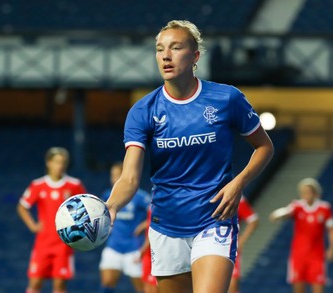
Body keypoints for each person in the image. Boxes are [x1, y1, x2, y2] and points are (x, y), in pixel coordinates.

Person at [106, 20, 274, 293]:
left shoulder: (226, 98)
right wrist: (112, 205)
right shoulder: (142, 111)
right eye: (160, 49)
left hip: (214, 219)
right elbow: (130, 177)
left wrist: (238, 183)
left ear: (195, 56)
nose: (166, 55)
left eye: (176, 47)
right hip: (165, 225)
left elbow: (265, 147)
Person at [17, 147, 86, 293]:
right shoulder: (38, 185)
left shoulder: (74, 185)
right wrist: (33, 225)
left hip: (63, 244)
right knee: (35, 282)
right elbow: (22, 207)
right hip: (43, 242)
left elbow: (86, 208)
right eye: (56, 162)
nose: (60, 166)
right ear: (49, 163)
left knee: (59, 285)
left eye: (63, 162)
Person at [270, 178, 333, 293]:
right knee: (298, 289)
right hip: (298, 256)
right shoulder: (297, 206)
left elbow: (332, 229)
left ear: (315, 192)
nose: (306, 194)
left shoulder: (324, 208)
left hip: (317, 256)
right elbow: (285, 212)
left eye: (308, 191)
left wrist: (332, 248)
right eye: (303, 192)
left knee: (318, 287)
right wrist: (278, 215)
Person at [99, 162, 150, 293]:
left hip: (134, 249)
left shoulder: (140, 196)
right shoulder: (107, 195)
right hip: (113, 247)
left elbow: (156, 212)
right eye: (112, 175)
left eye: (117, 175)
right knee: (107, 284)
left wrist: (145, 224)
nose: (113, 179)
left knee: (142, 289)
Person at [229, 196, 259, 293]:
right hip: (209, 247)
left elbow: (253, 220)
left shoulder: (236, 197)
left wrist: (241, 241)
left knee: (232, 287)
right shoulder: (207, 193)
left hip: (230, 249)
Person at [139, 207, 159, 293]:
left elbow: (156, 226)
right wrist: (144, 224)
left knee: (154, 287)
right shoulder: (153, 205)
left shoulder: (161, 204)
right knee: (147, 285)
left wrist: (144, 247)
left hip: (155, 252)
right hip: (149, 254)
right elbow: (154, 220)